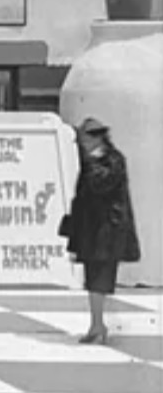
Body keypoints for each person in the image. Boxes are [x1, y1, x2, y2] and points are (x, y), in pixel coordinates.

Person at [62, 117, 142, 345]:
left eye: (86, 138)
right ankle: (96, 325)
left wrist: (91, 162)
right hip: (92, 229)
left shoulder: (112, 161)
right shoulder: (94, 161)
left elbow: (100, 186)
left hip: (106, 231)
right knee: (93, 279)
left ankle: (98, 327)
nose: (82, 143)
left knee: (99, 279)